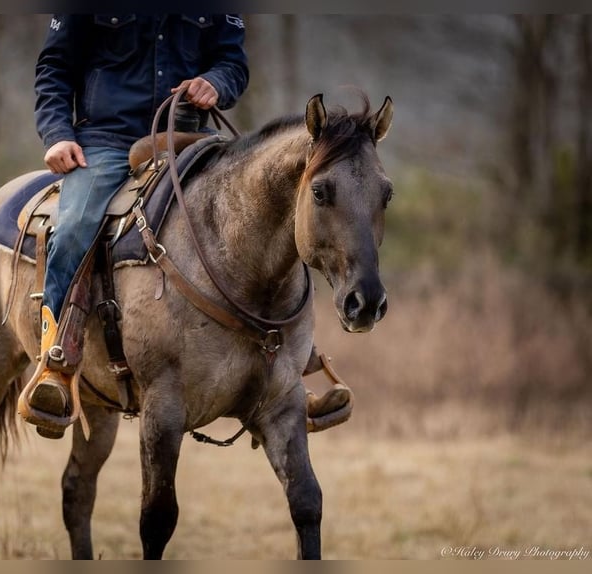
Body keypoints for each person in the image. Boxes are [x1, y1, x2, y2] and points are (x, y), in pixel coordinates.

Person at [19, 14, 351, 439]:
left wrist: (216, 82)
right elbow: (55, 68)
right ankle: (56, 363)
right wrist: (57, 135)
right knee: (74, 228)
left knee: (267, 217)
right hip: (106, 141)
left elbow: (232, 62)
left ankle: (291, 374)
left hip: (189, 138)